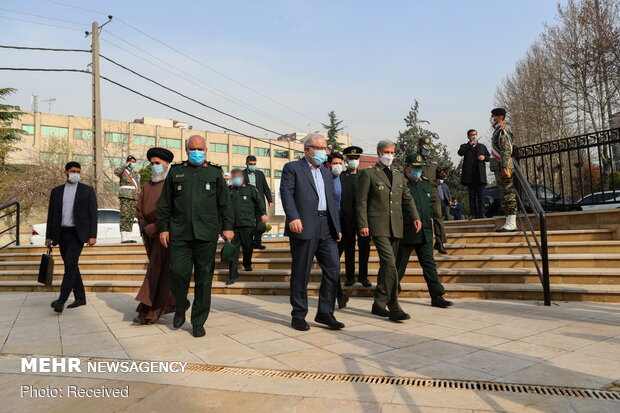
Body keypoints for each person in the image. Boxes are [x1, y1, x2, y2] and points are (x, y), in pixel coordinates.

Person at [157, 135, 234, 337]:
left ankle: (198, 320)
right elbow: (165, 203)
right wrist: (163, 228)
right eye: (193, 148)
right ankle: (181, 305)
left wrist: (227, 227)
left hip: (206, 233)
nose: (197, 152)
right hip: (180, 233)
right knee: (177, 272)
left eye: (200, 149)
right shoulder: (176, 171)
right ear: (187, 150)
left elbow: (224, 203)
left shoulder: (215, 172)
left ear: (206, 150)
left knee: (203, 277)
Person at [280, 133, 344, 331]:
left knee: (333, 269)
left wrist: (337, 227)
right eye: (319, 148)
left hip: (326, 226)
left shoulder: (326, 172)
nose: (323, 152)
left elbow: (333, 200)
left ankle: (325, 312)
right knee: (301, 272)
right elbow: (286, 193)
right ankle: (298, 314)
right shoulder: (293, 168)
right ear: (307, 149)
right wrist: (293, 217)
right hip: (304, 225)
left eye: (325, 148)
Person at [357, 139, 421, 322]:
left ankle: (378, 304)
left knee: (387, 266)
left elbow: (407, 199)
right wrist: (363, 224)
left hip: (396, 225)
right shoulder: (369, 174)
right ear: (378, 153)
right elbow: (361, 201)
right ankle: (393, 306)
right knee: (390, 264)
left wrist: (415, 217)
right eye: (386, 152)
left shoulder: (399, 175)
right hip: (377, 225)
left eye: (393, 152)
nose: (390, 156)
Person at [396, 153, 453, 308]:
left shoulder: (424, 184)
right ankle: (390, 294)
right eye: (415, 167)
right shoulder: (400, 185)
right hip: (406, 232)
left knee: (430, 266)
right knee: (398, 266)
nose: (418, 170)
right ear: (407, 167)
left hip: (426, 233)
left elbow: (430, 208)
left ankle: (437, 296)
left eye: (420, 168)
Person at [46, 161, 97, 314]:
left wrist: (92, 235)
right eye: (73, 171)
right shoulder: (56, 191)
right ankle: (80, 297)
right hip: (61, 234)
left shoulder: (87, 191)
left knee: (69, 264)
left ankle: (61, 300)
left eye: (78, 171)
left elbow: (93, 214)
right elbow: (51, 215)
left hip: (77, 234)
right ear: (66, 172)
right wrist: (49, 236)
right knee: (71, 265)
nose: (76, 174)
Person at [134, 147, 176, 325]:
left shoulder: (172, 184)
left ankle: (150, 310)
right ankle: (169, 304)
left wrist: (158, 226)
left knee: (158, 272)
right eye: (152, 163)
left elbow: (175, 210)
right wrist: (146, 227)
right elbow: (139, 209)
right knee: (157, 271)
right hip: (149, 236)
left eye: (157, 163)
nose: (154, 166)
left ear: (166, 164)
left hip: (165, 236)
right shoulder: (147, 185)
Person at [227, 168, 267, 285]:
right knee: (232, 251)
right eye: (234, 177)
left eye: (238, 176)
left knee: (248, 247)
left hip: (247, 224)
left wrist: (263, 214)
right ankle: (232, 275)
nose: (236, 179)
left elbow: (259, 202)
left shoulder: (250, 189)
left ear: (243, 178)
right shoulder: (228, 190)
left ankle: (247, 263)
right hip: (232, 226)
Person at [341, 146, 371, 287]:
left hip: (363, 219)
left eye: (356, 158)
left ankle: (363, 277)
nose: (353, 161)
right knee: (349, 248)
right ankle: (350, 277)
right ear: (346, 160)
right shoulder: (341, 177)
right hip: (347, 219)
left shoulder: (364, 176)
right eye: (351, 158)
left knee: (364, 248)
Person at [418, 137, 448, 254]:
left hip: (434, 191)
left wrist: (443, 174)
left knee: (438, 217)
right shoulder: (415, 157)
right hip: (421, 191)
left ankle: (440, 242)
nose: (427, 150)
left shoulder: (434, 158)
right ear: (420, 146)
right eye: (425, 148)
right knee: (423, 218)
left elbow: (439, 173)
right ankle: (424, 242)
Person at [490, 108, 518, 232]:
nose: (492, 118)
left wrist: (504, 166)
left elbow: (505, 148)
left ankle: (512, 223)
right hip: (500, 166)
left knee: (508, 193)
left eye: (493, 116)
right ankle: (508, 221)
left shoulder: (503, 129)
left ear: (500, 117)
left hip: (504, 167)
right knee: (503, 194)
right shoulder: (497, 130)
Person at [458, 129, 490, 219]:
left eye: (475, 134)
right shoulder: (464, 146)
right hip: (470, 176)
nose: (474, 136)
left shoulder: (482, 146)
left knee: (481, 196)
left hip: (480, 175)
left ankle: (482, 214)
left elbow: (488, 157)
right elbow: (460, 153)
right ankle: (473, 214)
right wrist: (470, 145)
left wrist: (484, 157)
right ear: (468, 136)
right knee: (472, 196)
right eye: (472, 134)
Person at [243, 155, 273, 250]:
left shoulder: (260, 174)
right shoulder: (242, 174)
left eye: (254, 164)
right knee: (248, 223)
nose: (252, 166)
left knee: (260, 224)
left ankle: (257, 242)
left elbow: (265, 187)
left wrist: (270, 200)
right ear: (246, 163)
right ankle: (248, 242)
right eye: (250, 164)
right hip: (247, 203)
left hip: (259, 202)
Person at [114, 155, 140, 243]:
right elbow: (116, 172)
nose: (133, 163)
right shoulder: (123, 171)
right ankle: (124, 236)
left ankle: (129, 235)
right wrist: (125, 165)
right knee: (125, 215)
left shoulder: (135, 173)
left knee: (131, 216)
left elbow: (137, 186)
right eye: (131, 162)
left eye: (134, 162)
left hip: (134, 196)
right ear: (128, 162)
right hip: (125, 195)